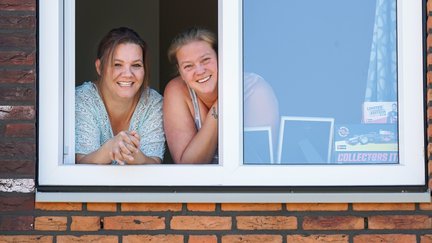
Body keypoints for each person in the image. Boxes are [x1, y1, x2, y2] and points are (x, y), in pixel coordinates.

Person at [75, 27, 165, 165]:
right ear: (99, 67)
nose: (128, 74)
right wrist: (110, 148)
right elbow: (81, 164)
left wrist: (131, 152)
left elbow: (154, 163)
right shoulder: (82, 99)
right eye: (117, 64)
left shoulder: (153, 102)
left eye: (136, 65)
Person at [163, 27, 218, 164]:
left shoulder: (250, 88)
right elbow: (188, 167)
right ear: (180, 73)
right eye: (188, 66)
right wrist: (219, 108)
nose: (199, 71)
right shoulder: (177, 90)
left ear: (220, 58)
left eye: (205, 60)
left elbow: (260, 161)